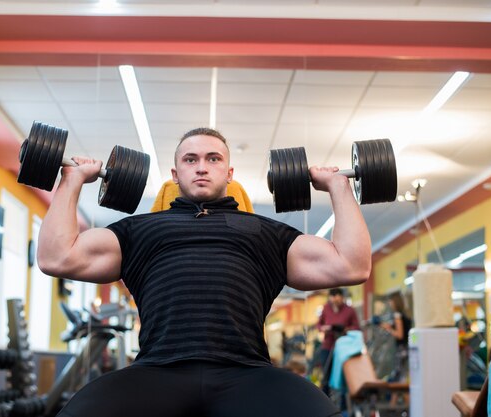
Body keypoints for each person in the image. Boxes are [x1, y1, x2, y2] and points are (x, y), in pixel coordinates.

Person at [38, 127, 372, 417]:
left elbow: (351, 265)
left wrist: (338, 186)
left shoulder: (266, 233)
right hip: (157, 372)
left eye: (213, 159)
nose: (201, 167)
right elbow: (57, 257)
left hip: (246, 374)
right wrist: (72, 179)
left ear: (229, 172)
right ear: (174, 173)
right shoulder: (138, 230)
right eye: (190, 159)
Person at [316, 287, 360, 395]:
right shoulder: (326, 308)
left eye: (337, 299)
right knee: (326, 375)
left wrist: (345, 329)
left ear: (342, 298)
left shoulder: (350, 310)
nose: (335, 302)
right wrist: (324, 328)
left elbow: (357, 327)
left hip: (343, 348)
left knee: (343, 375)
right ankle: (325, 402)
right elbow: (319, 324)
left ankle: (343, 406)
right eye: (333, 299)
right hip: (327, 346)